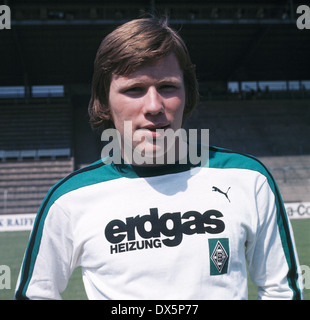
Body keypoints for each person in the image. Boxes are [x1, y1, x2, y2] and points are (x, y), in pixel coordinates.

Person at [15, 17, 303, 300]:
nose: (154, 106)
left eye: (167, 86)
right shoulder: (69, 199)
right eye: (134, 90)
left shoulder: (249, 179)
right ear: (104, 101)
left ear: (187, 94)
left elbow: (282, 292)